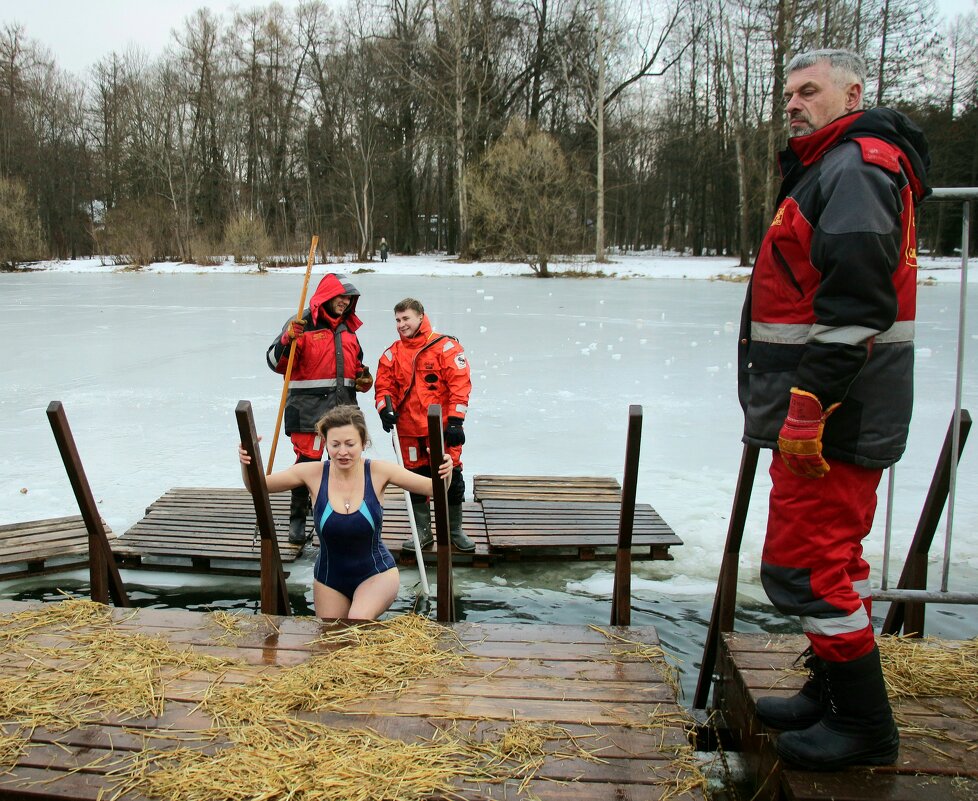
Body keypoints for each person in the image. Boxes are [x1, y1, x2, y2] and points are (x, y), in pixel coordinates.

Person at [738, 49, 930, 771]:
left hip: (836, 414)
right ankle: (831, 691)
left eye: (808, 91)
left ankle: (863, 723)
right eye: (787, 92)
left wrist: (809, 408)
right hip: (839, 407)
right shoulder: (834, 166)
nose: (793, 103)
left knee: (807, 568)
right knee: (834, 561)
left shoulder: (855, 167)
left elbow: (855, 306)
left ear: (854, 92)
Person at [239, 405, 453, 619]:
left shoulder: (379, 471)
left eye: (350, 444)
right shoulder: (312, 473)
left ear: (363, 443)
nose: (342, 452)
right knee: (332, 640)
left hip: (377, 574)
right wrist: (245, 463)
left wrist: (446, 470)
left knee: (356, 623)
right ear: (325, 442)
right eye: (335, 444)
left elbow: (435, 488)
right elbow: (257, 486)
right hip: (329, 579)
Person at [267, 273, 373, 544]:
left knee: (344, 463)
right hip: (308, 412)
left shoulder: (348, 330)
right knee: (308, 464)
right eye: (341, 296)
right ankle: (297, 520)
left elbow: (356, 366)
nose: (345, 302)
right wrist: (286, 340)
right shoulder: (300, 324)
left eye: (349, 298)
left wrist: (362, 377)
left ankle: (337, 513)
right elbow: (274, 361)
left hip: (343, 412)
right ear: (327, 296)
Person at [374, 297, 475, 553]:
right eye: (397, 320)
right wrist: (385, 410)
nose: (401, 324)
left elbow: (459, 385)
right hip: (408, 431)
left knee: (451, 476)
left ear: (421, 316)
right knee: (414, 478)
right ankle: (422, 531)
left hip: (439, 430)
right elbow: (384, 386)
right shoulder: (391, 354)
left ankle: (454, 530)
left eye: (406, 318)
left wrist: (455, 421)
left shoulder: (446, 348)